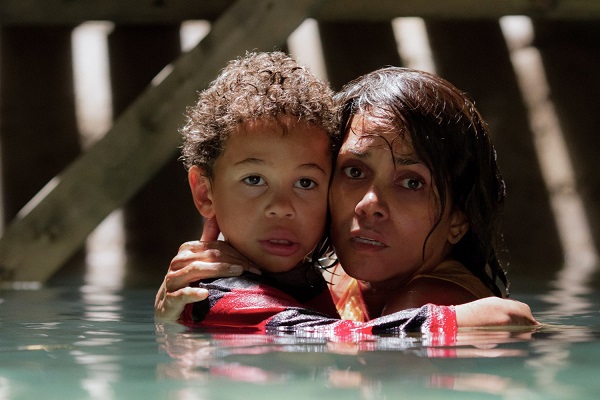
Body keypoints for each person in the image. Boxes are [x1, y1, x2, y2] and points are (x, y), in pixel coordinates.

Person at [155, 59, 538, 336]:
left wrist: (443, 322)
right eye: (354, 172)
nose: (369, 202)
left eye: (411, 183)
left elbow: (334, 345)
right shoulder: (339, 278)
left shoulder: (431, 297)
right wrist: (174, 309)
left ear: (458, 218)